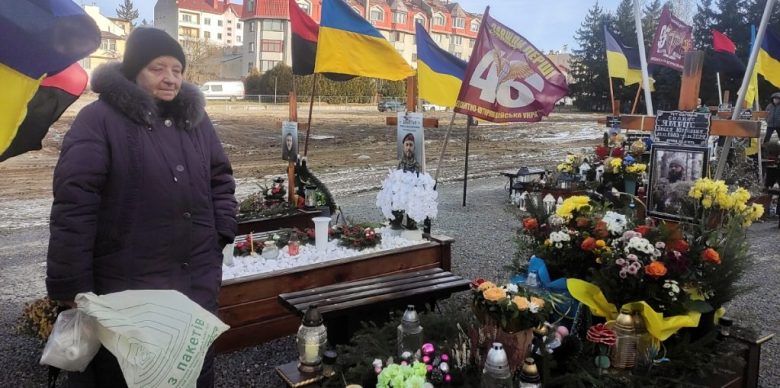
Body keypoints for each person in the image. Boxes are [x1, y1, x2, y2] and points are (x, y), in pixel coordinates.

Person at [46, 27, 237, 387]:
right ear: (134, 70)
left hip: (194, 284)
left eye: (177, 70)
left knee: (191, 370)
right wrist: (72, 286)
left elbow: (221, 178)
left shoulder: (195, 122)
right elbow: (74, 205)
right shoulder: (98, 121)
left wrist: (220, 232)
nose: (170, 79)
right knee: (130, 375)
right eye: (157, 68)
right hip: (127, 291)